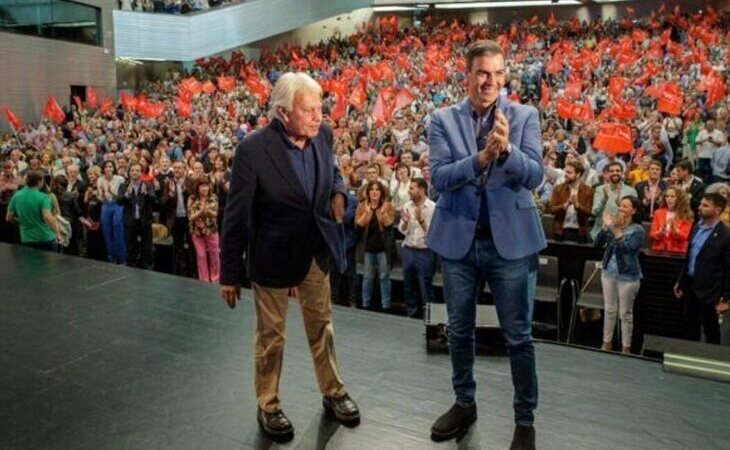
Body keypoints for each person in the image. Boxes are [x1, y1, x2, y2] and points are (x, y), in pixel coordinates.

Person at [219, 72, 360, 442]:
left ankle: (334, 392)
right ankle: (268, 404)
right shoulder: (252, 149)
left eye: (319, 108)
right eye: (309, 110)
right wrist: (229, 274)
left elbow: (335, 172)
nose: (318, 116)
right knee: (271, 338)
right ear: (283, 112)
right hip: (273, 257)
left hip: (315, 252)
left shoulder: (323, 135)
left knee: (322, 328)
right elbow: (235, 215)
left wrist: (339, 193)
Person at [426, 40, 545, 449]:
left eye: (497, 73)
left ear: (504, 76)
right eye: (482, 73)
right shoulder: (441, 119)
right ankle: (464, 403)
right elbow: (438, 178)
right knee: (459, 331)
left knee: (519, 337)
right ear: (468, 76)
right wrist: (479, 159)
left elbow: (534, 176)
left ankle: (524, 419)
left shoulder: (525, 115)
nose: (490, 81)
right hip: (460, 243)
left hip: (510, 245)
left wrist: (506, 150)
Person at [674, 193, 730, 345]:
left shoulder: (725, 236)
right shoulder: (696, 227)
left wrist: (726, 298)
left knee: (710, 331)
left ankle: (713, 362)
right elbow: (690, 256)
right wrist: (680, 281)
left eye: (705, 206)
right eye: (701, 204)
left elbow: (728, 269)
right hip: (690, 286)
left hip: (711, 291)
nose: (700, 208)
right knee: (689, 326)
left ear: (717, 210)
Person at [595, 196, 645, 354]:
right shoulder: (612, 225)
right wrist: (604, 227)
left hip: (628, 276)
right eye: (620, 206)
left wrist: (616, 230)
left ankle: (626, 347)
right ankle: (606, 342)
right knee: (609, 309)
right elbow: (597, 244)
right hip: (608, 272)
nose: (621, 209)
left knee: (625, 313)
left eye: (625, 206)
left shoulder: (638, 230)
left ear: (634, 210)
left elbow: (628, 250)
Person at [398, 178, 436, 318]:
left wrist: (420, 220)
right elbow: (402, 230)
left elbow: (432, 233)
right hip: (408, 249)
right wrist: (405, 223)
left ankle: (430, 318)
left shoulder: (432, 207)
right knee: (409, 285)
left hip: (425, 252)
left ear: (421, 190)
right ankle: (411, 313)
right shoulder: (407, 205)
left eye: (412, 188)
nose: (409, 191)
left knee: (425, 286)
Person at [355, 180, 395, 311]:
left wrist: (383, 213)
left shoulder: (388, 205)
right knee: (367, 277)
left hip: (383, 247)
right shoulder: (361, 206)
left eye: (377, 189)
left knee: (384, 277)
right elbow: (358, 226)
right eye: (372, 189)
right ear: (368, 192)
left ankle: (386, 306)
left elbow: (389, 225)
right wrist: (367, 213)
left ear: (381, 192)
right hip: (367, 247)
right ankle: (365, 304)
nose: (374, 192)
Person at [6, 170, 61, 252]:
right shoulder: (43, 197)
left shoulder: (16, 196)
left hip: (26, 238)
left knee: (30, 264)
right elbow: (47, 217)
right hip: (45, 238)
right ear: (39, 182)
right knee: (48, 264)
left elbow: (9, 218)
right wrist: (57, 233)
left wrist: (21, 222)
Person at [119, 163, 157, 269]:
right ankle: (131, 267)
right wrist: (126, 194)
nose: (135, 172)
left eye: (137, 170)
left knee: (147, 247)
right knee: (130, 247)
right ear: (129, 173)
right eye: (132, 170)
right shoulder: (124, 185)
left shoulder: (148, 185)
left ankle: (148, 268)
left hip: (145, 221)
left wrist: (146, 194)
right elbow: (119, 201)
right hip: (130, 221)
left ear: (141, 173)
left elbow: (154, 199)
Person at [590, 162, 638, 241]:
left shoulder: (631, 191)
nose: (615, 173)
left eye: (617, 171)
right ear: (607, 174)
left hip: (622, 235)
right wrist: (604, 200)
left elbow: (634, 213)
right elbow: (594, 212)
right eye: (611, 171)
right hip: (601, 234)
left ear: (622, 173)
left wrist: (620, 205)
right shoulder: (600, 189)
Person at [550, 160, 593, 243]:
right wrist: (565, 205)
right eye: (566, 172)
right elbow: (552, 209)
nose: (566, 175)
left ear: (578, 174)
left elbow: (589, 212)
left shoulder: (588, 190)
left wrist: (577, 205)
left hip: (580, 232)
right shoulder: (558, 189)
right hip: (560, 231)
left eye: (569, 173)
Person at [187, 177, 220, 282]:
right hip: (197, 232)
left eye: (206, 186)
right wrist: (201, 211)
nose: (204, 188)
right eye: (202, 186)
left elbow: (215, 214)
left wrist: (206, 209)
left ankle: (215, 279)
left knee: (214, 255)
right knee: (201, 256)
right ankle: (204, 280)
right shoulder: (192, 198)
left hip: (211, 231)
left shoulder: (214, 197)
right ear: (197, 188)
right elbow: (190, 217)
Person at [97, 160, 126, 264]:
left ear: (114, 168)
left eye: (110, 166)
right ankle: (111, 258)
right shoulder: (100, 180)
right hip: (106, 205)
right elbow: (100, 198)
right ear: (103, 169)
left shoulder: (120, 179)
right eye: (106, 167)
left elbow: (121, 197)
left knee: (118, 232)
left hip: (117, 205)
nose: (108, 169)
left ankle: (122, 259)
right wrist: (103, 196)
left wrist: (110, 192)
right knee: (107, 233)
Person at [649, 187, 693, 253]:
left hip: (677, 251)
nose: (669, 199)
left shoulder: (686, 215)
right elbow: (652, 234)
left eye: (672, 196)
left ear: (679, 199)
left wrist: (675, 230)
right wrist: (661, 231)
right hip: (659, 250)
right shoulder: (658, 213)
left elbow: (685, 237)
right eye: (667, 196)